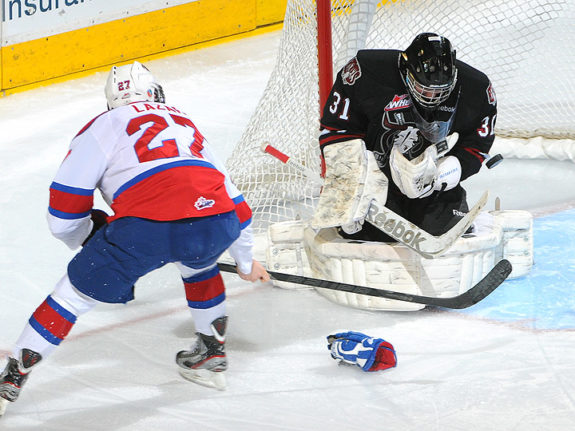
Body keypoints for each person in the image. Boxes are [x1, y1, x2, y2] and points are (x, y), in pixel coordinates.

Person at [0, 61, 270, 412]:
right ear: (156, 93)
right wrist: (246, 260)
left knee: (72, 297)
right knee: (199, 264)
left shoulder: (101, 125)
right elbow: (231, 197)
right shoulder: (183, 120)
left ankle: (10, 380)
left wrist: (85, 242)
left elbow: (64, 212)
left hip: (145, 228)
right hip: (215, 220)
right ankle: (211, 354)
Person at [319, 32, 497, 241]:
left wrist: (450, 170)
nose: (432, 98)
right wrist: (353, 180)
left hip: (431, 184)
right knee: (370, 237)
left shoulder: (477, 88)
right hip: (374, 181)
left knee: (449, 233)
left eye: (441, 92)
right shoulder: (366, 73)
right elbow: (336, 130)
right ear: (406, 72)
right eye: (424, 89)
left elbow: (477, 144)